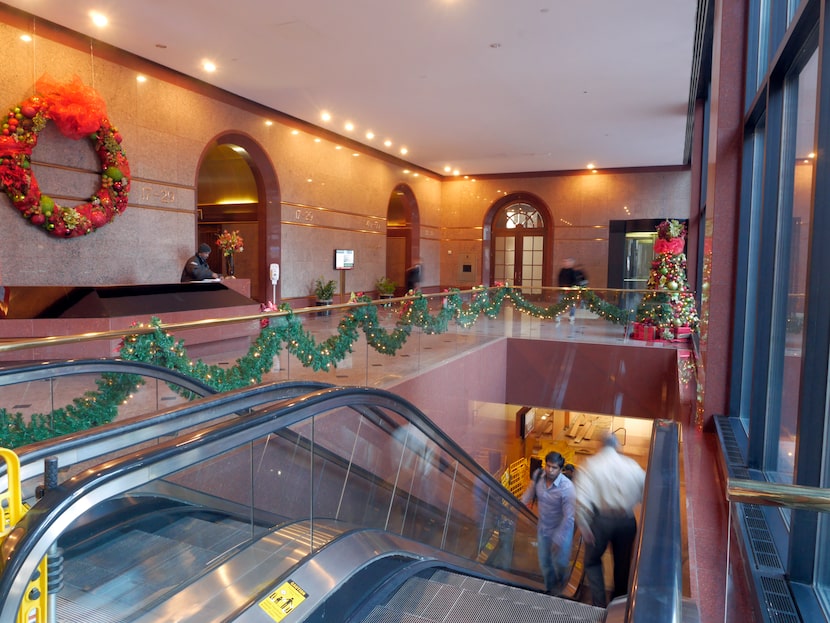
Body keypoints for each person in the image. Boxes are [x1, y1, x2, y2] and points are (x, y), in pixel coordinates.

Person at [575, 432, 646, 608]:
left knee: (592, 562)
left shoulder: (590, 465)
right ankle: (619, 605)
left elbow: (580, 499)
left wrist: (584, 526)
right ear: (617, 447)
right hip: (627, 520)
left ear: (600, 446)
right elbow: (647, 493)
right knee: (622, 565)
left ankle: (599, 604)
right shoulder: (633, 466)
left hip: (600, 521)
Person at [521, 451, 576, 595]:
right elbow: (530, 490)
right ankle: (551, 589)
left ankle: (563, 584)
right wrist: (519, 504)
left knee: (561, 563)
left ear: (560, 469)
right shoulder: (539, 476)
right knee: (545, 562)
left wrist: (559, 539)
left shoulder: (567, 488)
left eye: (554, 468)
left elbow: (569, 517)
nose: (550, 470)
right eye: (548, 466)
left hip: (560, 533)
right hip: (543, 530)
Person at [557, 257, 580, 322]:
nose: (566, 263)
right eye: (564, 262)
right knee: (560, 303)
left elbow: (575, 281)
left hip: (571, 291)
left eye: (567, 262)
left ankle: (572, 315)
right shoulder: (561, 271)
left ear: (571, 263)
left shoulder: (573, 272)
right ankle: (559, 315)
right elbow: (559, 280)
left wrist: (571, 289)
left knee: (572, 303)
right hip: (562, 290)